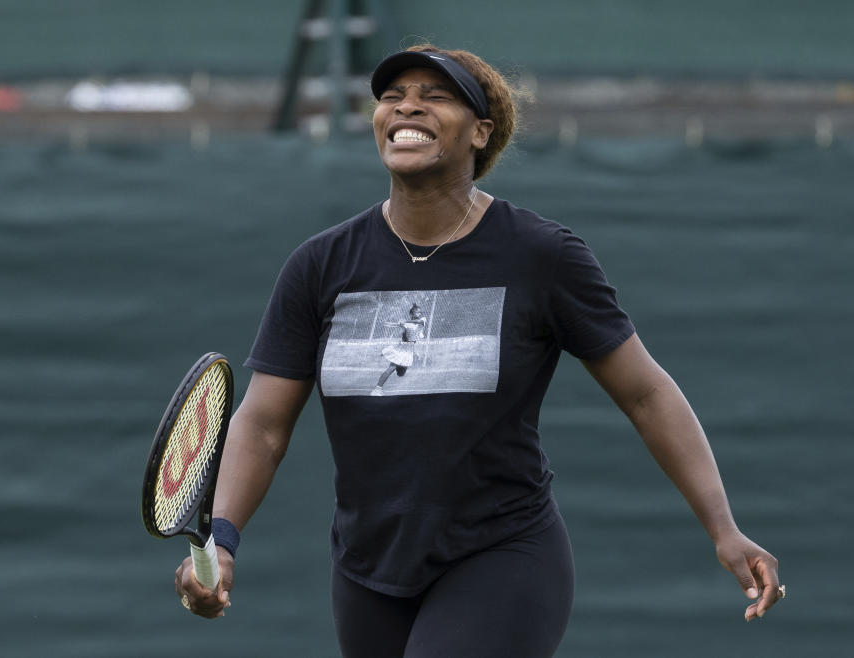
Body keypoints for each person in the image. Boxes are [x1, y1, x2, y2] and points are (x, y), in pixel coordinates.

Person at [175, 44, 784, 657]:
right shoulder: (320, 265)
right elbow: (262, 424)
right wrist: (221, 539)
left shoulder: (542, 256)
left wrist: (723, 529)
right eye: (392, 97)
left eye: (435, 96)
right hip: (366, 568)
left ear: (481, 133)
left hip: (503, 555)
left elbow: (648, 394)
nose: (406, 107)